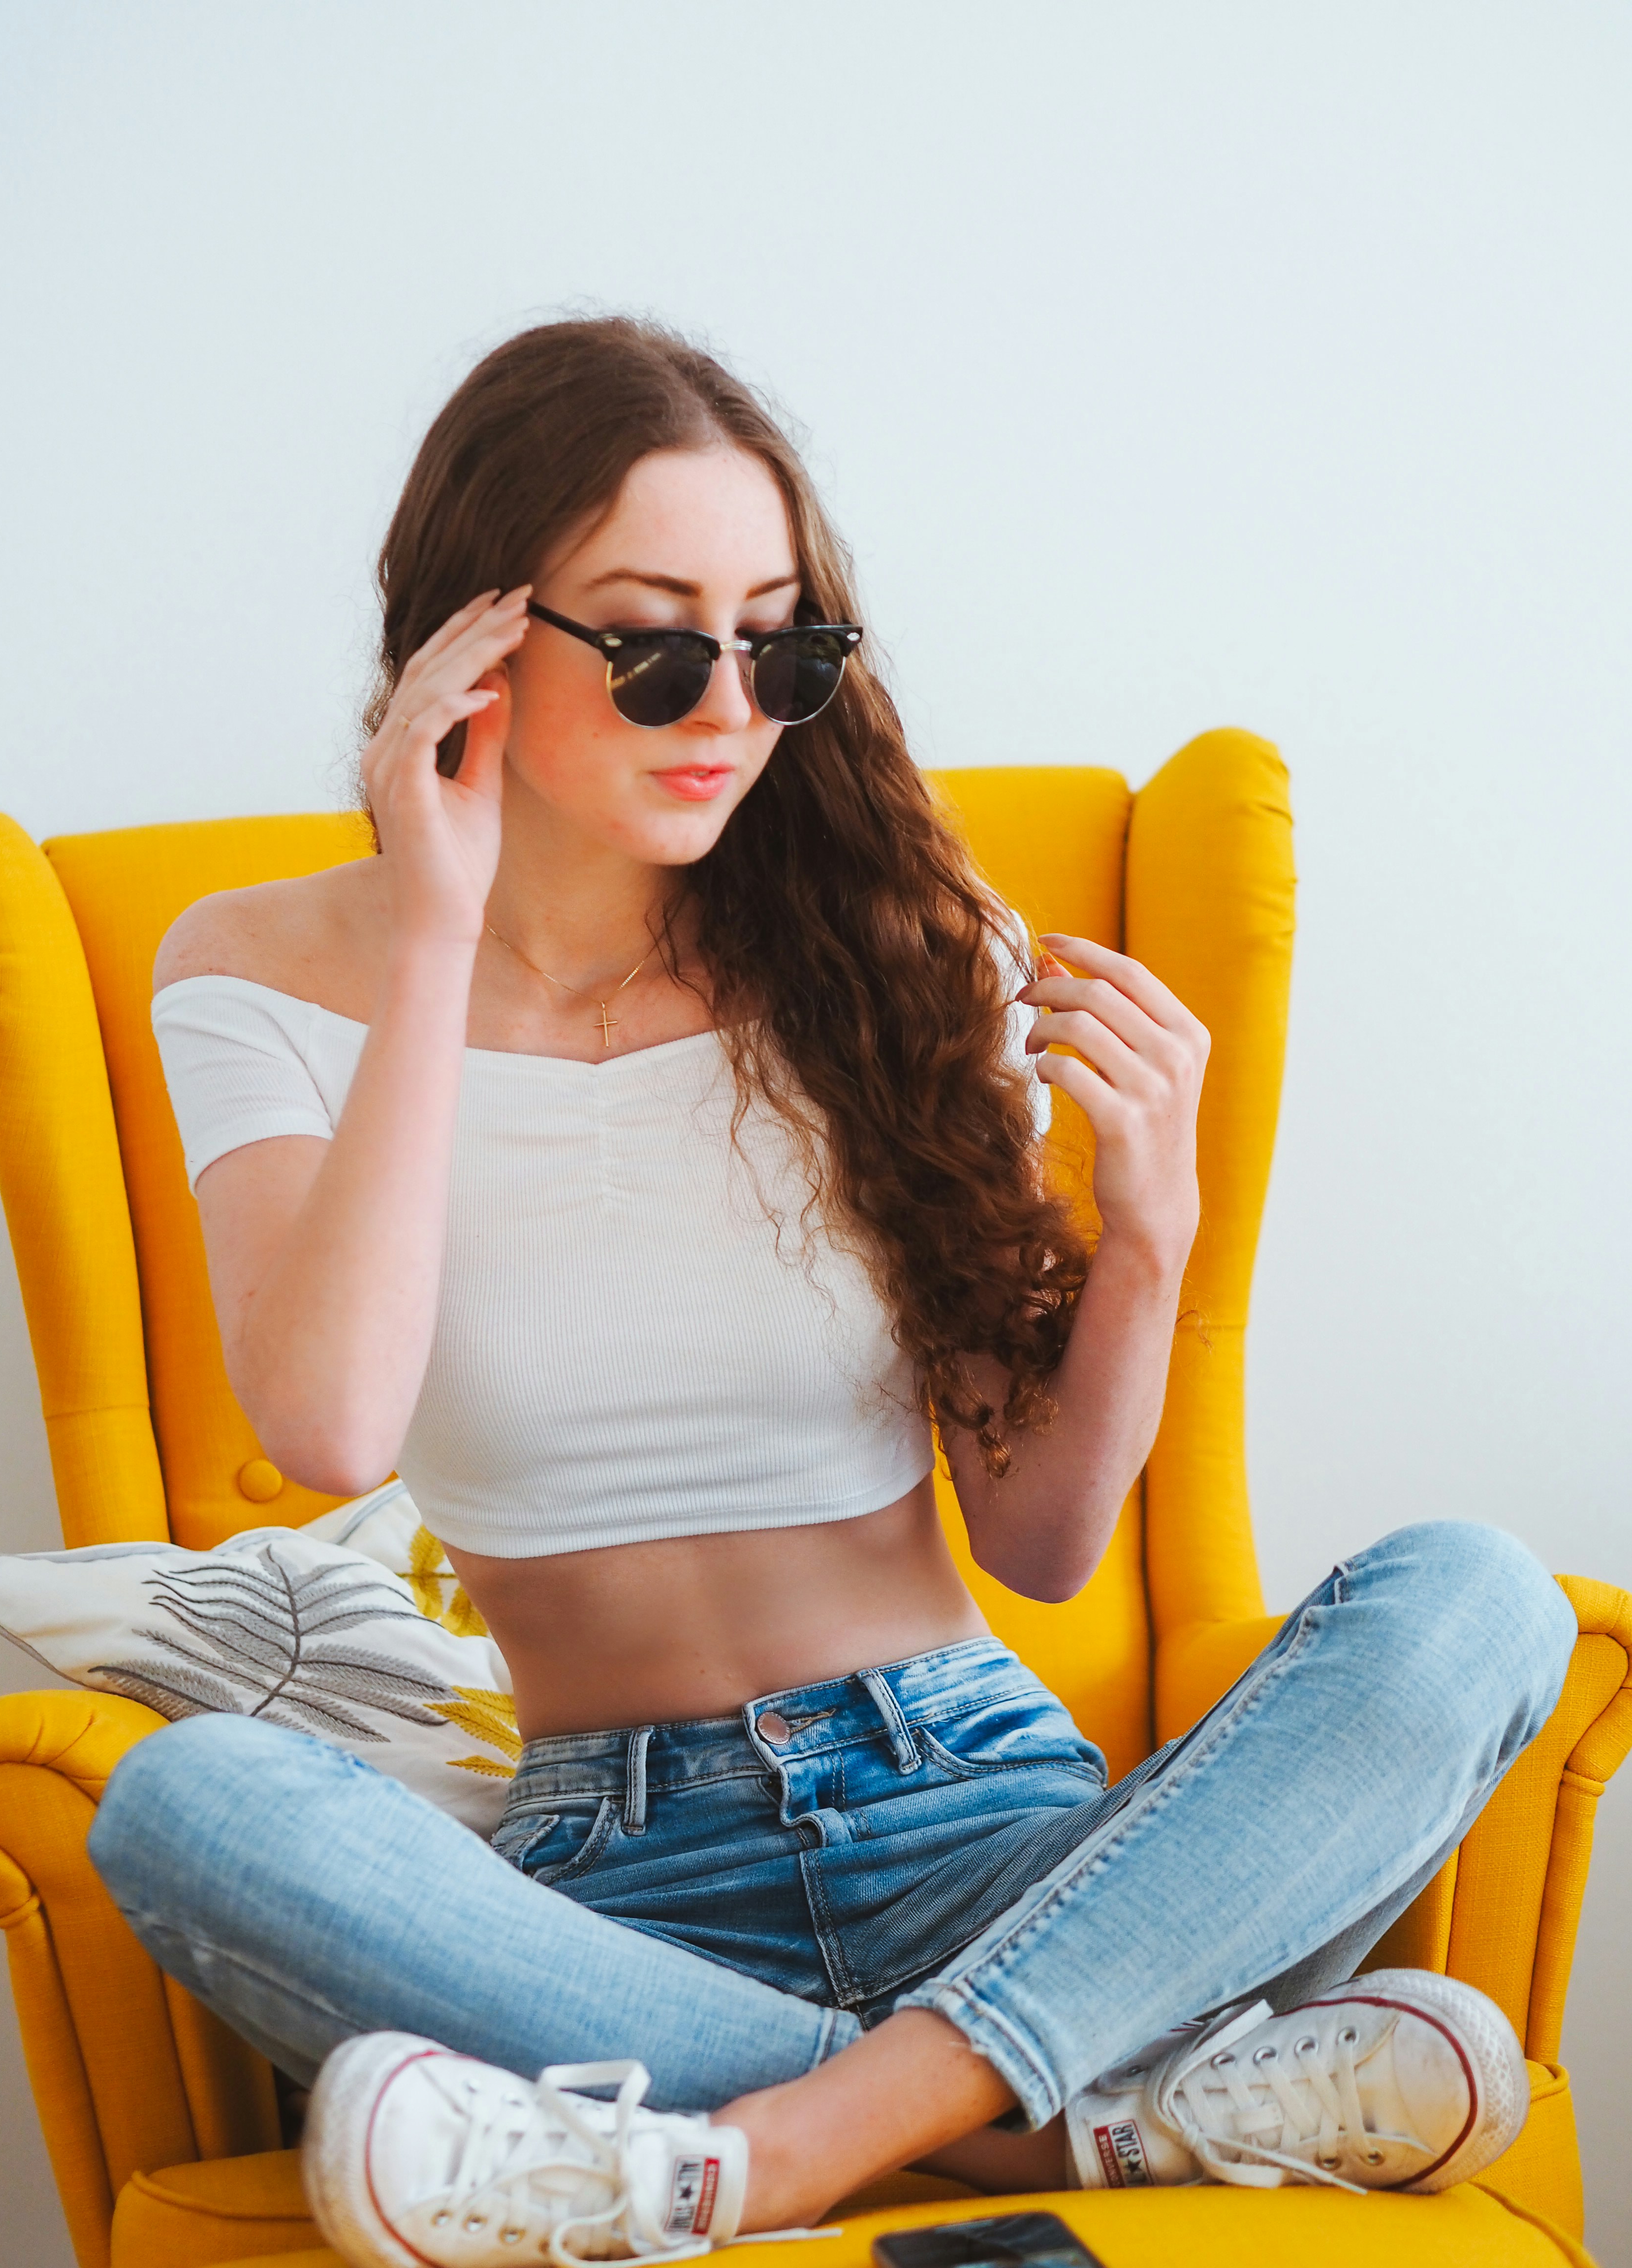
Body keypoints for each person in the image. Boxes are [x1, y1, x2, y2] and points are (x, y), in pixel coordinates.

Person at [88, 317, 1574, 2268]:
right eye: (656, 644)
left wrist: (1151, 1234)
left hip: (999, 1835)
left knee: (1481, 1601)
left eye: (780, 647)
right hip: (610, 1902)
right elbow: (328, 1425)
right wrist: (439, 922)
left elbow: (1040, 1541)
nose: (728, 708)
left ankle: (770, 2153)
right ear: (473, 639)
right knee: (188, 1806)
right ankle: (1064, 2121)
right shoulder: (257, 972)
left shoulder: (898, 948)